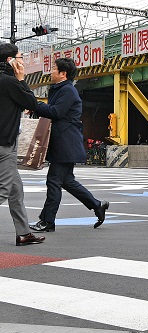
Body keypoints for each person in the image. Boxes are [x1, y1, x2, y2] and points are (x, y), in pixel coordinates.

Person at [29, 57, 109, 233]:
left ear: (63, 74)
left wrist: (35, 105)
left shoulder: (68, 91)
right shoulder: (61, 89)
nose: (51, 71)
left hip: (65, 143)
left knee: (54, 181)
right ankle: (97, 205)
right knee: (67, 181)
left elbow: (56, 112)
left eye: (54, 69)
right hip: (64, 142)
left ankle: (47, 221)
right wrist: (38, 107)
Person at [0, 43, 45, 246]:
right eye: (20, 57)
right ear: (10, 61)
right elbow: (32, 104)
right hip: (4, 145)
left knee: (15, 189)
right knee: (3, 190)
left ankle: (24, 233)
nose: (22, 61)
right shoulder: (10, 82)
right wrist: (21, 80)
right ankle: (24, 233)